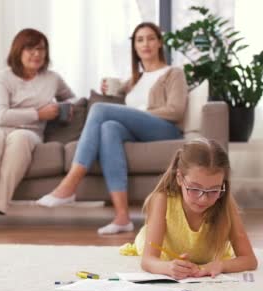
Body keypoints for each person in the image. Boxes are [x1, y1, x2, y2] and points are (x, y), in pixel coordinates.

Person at [37, 22, 188, 235]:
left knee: (100, 109)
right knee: (109, 128)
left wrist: (139, 114)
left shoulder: (173, 74)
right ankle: (122, 217)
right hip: (138, 131)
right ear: (134, 47)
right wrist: (109, 90)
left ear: (160, 42)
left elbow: (176, 110)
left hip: (164, 129)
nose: (146, 44)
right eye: (140, 40)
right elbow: (121, 104)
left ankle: (70, 184)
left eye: (151, 38)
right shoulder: (134, 81)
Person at [0, 28, 76, 235]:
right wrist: (38, 114)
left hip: (28, 132)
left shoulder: (52, 79)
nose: (37, 54)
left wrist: (65, 109)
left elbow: (73, 99)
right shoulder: (2, 77)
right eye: (30, 48)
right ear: (18, 51)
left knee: (21, 138)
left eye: (41, 49)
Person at [120, 138, 258, 279]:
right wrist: (168, 267)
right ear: (179, 178)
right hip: (163, 252)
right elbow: (148, 260)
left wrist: (221, 265)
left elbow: (249, 260)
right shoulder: (162, 199)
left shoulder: (225, 202)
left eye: (214, 190)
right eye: (194, 188)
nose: (203, 198)